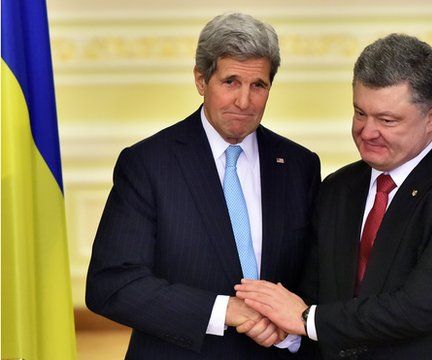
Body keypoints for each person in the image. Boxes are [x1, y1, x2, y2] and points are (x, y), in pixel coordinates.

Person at [235, 33, 432, 359]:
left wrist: (305, 320)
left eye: (387, 120)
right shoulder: (337, 189)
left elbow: (417, 309)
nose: (367, 131)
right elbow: (311, 297)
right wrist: (283, 330)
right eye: (359, 113)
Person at [86, 13, 320, 359]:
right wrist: (224, 310)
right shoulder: (148, 163)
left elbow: (316, 274)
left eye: (258, 86)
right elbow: (112, 284)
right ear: (201, 79)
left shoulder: (299, 165)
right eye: (230, 82)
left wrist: (292, 329)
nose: (244, 101)